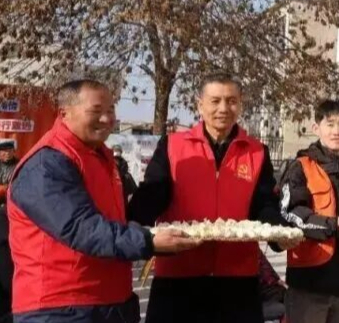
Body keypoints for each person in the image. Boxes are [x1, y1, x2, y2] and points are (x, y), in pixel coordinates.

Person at [7, 79, 198, 323]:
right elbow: (80, 228)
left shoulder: (102, 158)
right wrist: (149, 241)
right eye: (96, 111)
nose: (107, 119)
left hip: (112, 303)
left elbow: (118, 221)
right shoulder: (47, 163)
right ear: (64, 113)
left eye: (111, 110)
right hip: (62, 308)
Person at [127, 73, 297, 323]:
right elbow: (153, 194)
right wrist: (129, 227)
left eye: (231, 101)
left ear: (240, 104)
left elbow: (263, 204)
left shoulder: (257, 151)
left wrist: (279, 233)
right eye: (215, 101)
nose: (223, 109)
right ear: (200, 104)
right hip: (178, 277)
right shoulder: (173, 145)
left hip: (237, 280)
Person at [281, 99, 339, 323]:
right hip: (309, 286)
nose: (336, 131)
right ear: (316, 128)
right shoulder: (300, 166)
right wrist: (334, 225)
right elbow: (291, 214)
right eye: (330, 124)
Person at [0, 139, 16, 322]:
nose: (6, 154)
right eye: (3, 151)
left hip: (11, 218)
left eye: (9, 150)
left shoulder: (19, 166)